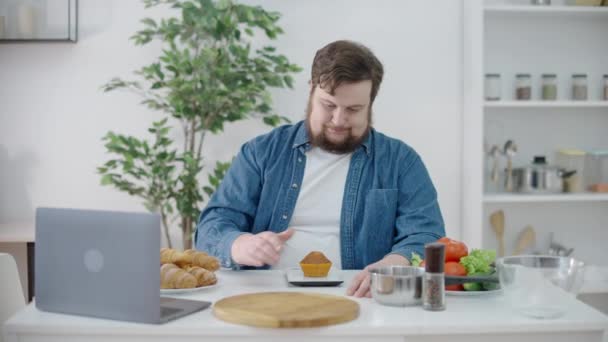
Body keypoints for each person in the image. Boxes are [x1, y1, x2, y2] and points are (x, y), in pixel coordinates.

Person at [195, 40, 445, 297]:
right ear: (311, 90)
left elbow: (426, 233)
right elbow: (212, 226)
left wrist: (392, 264)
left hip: (361, 298)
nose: (338, 120)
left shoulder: (400, 161)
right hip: (268, 296)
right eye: (329, 105)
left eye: (353, 109)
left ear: (371, 103)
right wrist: (240, 244)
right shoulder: (261, 152)